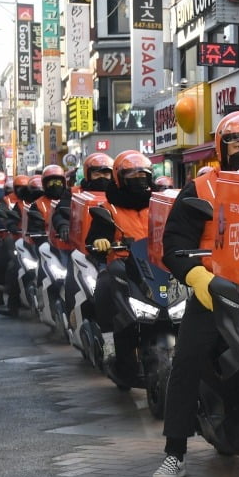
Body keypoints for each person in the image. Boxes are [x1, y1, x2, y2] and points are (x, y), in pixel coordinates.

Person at [156, 110, 239, 477]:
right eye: (238, 143)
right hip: (213, 294)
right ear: (222, 148)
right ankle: (175, 452)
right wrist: (199, 279)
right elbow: (173, 245)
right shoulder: (201, 189)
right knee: (186, 359)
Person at [88, 151, 154, 381]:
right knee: (105, 285)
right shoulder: (108, 208)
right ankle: (109, 345)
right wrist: (100, 241)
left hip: (155, 269)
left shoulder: (158, 204)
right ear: (119, 178)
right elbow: (95, 236)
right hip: (123, 266)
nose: (139, 177)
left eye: (143, 173)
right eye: (132, 173)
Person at [58, 153, 115, 318]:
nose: (102, 177)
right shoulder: (74, 192)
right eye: (97, 173)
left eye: (106, 173)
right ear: (88, 173)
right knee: (71, 276)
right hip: (82, 249)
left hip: (115, 250)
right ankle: (72, 316)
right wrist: (63, 226)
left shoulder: (119, 196)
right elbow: (60, 213)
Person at [0, 174, 45, 318]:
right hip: (26, 244)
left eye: (40, 190)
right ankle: (12, 306)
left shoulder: (55, 203)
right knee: (14, 268)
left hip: (49, 245)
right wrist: (11, 226)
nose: (37, 193)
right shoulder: (21, 204)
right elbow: (10, 218)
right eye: (34, 190)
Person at [0, 175, 28, 308]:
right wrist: (2, 224)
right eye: (19, 188)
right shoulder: (7, 200)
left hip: (29, 238)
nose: (22, 190)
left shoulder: (33, 200)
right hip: (10, 237)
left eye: (25, 188)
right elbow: (0, 213)